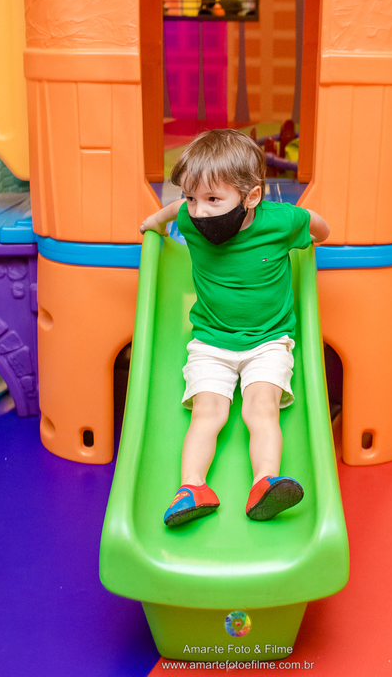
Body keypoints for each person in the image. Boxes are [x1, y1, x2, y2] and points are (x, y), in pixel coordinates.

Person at [139, 130, 330, 527]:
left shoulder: (281, 222)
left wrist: (314, 243)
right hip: (211, 343)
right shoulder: (189, 218)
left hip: (268, 342)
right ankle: (192, 488)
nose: (199, 211)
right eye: (192, 198)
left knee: (261, 408)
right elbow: (171, 211)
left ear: (252, 197)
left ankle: (264, 483)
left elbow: (319, 227)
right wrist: (152, 224)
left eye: (213, 199)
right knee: (207, 413)